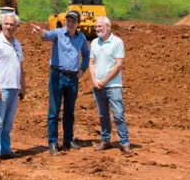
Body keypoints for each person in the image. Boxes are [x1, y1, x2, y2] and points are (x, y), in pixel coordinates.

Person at [30, 10, 90, 154]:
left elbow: (86, 53)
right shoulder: (58, 33)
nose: (70, 23)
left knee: (69, 111)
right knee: (54, 111)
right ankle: (53, 143)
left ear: (78, 24)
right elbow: (46, 35)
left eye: (73, 21)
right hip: (57, 75)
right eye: (68, 21)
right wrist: (40, 31)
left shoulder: (81, 37)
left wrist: (83, 69)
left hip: (73, 78)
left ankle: (68, 140)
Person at [89, 16, 133, 155]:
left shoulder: (117, 42)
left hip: (113, 86)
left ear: (108, 27)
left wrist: (105, 81)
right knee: (103, 115)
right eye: (96, 27)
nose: (97, 29)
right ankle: (105, 139)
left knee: (118, 114)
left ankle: (124, 142)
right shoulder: (95, 43)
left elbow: (118, 65)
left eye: (100, 26)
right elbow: (91, 63)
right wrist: (94, 80)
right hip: (98, 86)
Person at [0, 13, 26, 163]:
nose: (8, 26)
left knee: (8, 122)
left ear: (17, 26)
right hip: (0, 89)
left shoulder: (17, 44)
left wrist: (22, 86)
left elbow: (20, 67)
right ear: (2, 25)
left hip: (13, 88)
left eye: (11, 24)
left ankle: (5, 149)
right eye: (6, 24)